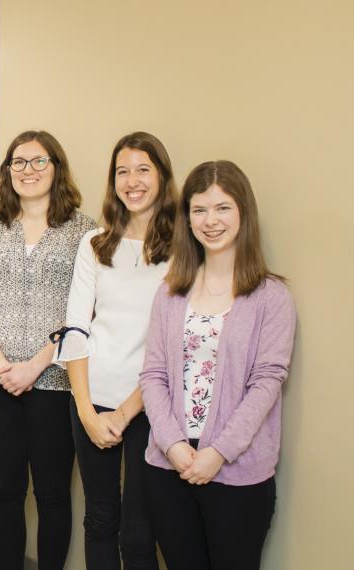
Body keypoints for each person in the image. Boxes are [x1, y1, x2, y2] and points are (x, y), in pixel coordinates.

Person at [139, 160, 295, 570]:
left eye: (223, 208)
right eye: (199, 210)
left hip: (237, 474)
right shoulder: (171, 292)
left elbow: (267, 382)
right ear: (187, 218)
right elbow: (153, 375)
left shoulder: (271, 297)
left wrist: (217, 453)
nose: (211, 221)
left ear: (243, 212)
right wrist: (173, 445)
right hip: (168, 467)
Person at [0, 131, 95, 569]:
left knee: (53, 494)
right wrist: (1, 364)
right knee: (4, 490)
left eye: (39, 161)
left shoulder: (85, 230)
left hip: (57, 381)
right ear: (7, 171)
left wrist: (36, 365)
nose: (28, 171)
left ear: (57, 167)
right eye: (18, 162)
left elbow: (87, 308)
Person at [56, 132, 179, 570]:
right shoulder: (95, 244)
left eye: (143, 169)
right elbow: (75, 329)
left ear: (163, 177)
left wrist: (126, 412)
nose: (132, 181)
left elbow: (174, 347)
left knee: (141, 529)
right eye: (122, 171)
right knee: (100, 517)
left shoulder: (183, 250)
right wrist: (86, 410)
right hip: (93, 395)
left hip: (152, 403)